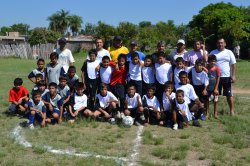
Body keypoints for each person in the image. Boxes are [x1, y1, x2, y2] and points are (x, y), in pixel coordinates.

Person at [210, 38, 236, 115]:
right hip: (216, 77)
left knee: (229, 95)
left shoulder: (229, 52)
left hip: (226, 77)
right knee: (216, 95)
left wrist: (233, 75)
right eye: (218, 43)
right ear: (216, 44)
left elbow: (233, 64)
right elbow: (208, 63)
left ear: (225, 44)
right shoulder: (213, 52)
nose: (220, 44)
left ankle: (232, 111)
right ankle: (216, 112)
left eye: (222, 43)